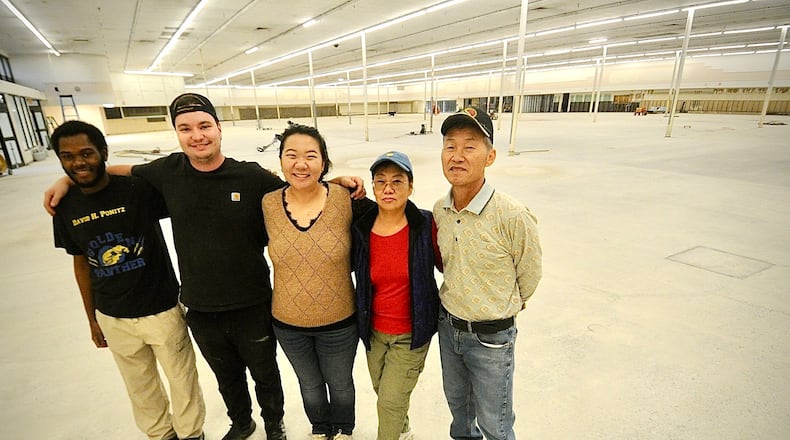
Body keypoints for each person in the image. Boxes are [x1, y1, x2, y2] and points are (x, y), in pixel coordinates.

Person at [44, 93, 366, 440]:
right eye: (185, 128)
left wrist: (337, 183)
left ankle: (275, 425)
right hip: (200, 304)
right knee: (226, 377)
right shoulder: (166, 171)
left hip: (252, 301)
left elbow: (297, 189)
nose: (196, 135)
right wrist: (68, 179)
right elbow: (112, 172)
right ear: (177, 133)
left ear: (219, 129)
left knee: (265, 374)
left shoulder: (251, 177)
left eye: (204, 126)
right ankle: (242, 423)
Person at [50, 120, 206, 440]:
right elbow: (81, 263)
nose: (78, 162)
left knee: (183, 381)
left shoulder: (139, 190)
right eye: (67, 156)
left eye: (87, 153)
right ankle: (161, 435)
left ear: (103, 152)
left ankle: (192, 435)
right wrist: (93, 318)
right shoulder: (64, 207)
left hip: (161, 309)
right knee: (140, 387)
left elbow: (183, 178)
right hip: (113, 317)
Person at [433, 107, 542, 440]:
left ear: (490, 156)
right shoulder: (440, 210)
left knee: (495, 426)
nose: (457, 156)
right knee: (461, 422)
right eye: (450, 146)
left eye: (470, 146)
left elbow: (530, 272)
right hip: (449, 330)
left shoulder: (512, 215)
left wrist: (507, 303)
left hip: (491, 340)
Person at [262, 124, 374, 440]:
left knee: (340, 383)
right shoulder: (268, 203)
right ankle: (319, 428)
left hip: (339, 321)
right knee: (309, 385)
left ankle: (343, 430)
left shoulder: (345, 198)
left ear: (323, 163)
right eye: (291, 155)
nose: (301, 164)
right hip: (287, 322)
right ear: (281, 161)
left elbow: (389, 224)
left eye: (311, 156)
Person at [351, 151, 441, 440]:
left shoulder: (426, 225)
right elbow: (317, 187)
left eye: (397, 181)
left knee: (389, 402)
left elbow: (453, 263)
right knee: (385, 392)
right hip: (374, 332)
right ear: (373, 187)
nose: (388, 189)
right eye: (381, 182)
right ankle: (404, 432)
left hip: (411, 334)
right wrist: (341, 180)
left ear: (411, 187)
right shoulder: (362, 225)